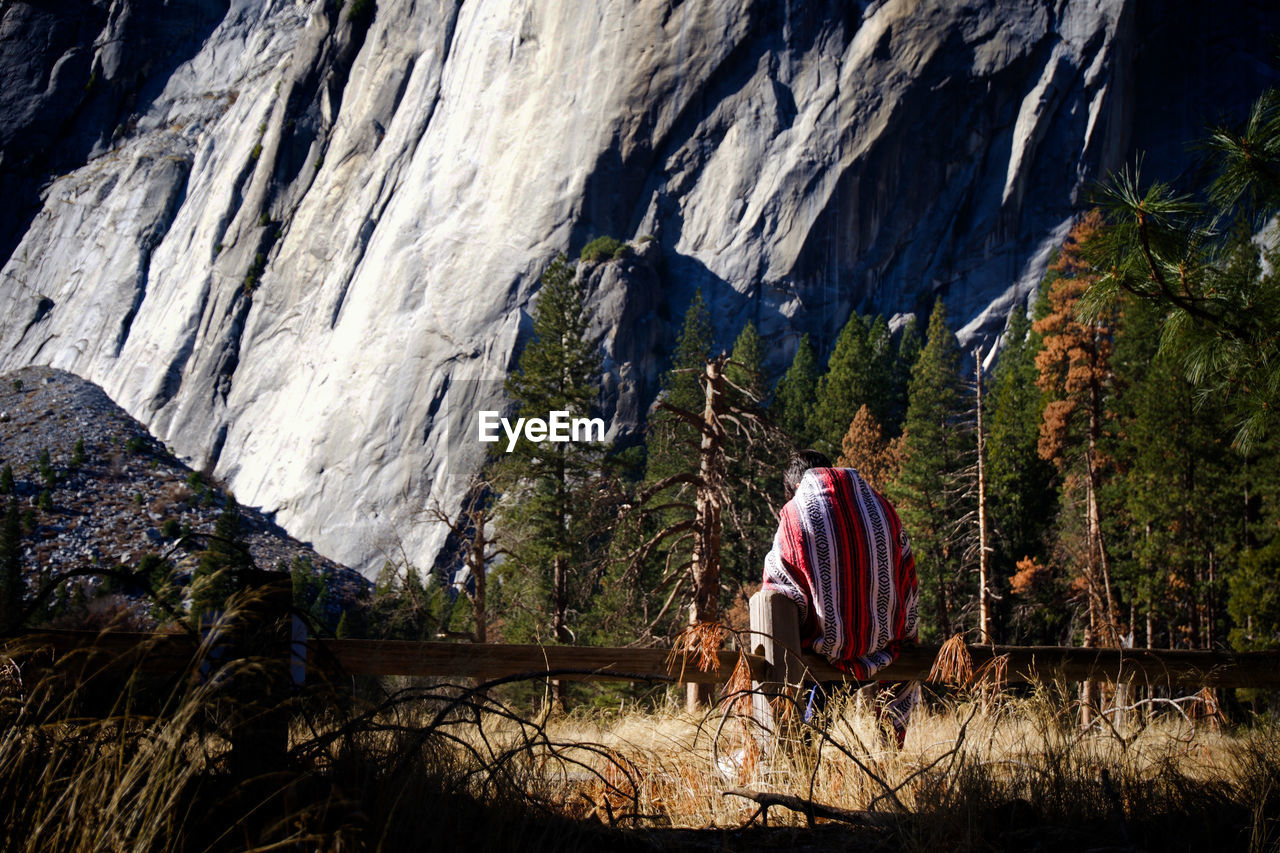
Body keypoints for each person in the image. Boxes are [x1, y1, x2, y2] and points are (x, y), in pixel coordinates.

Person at [761, 449, 919, 745]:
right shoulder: (882, 509)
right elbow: (907, 576)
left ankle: (798, 761)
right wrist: (905, 634)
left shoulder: (796, 515)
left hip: (824, 651)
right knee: (827, 711)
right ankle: (883, 760)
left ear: (795, 488)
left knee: (804, 730)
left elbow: (777, 586)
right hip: (885, 646)